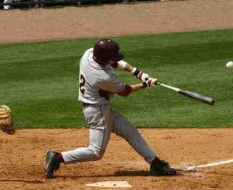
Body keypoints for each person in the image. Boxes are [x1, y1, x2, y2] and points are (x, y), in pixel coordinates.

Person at [45, 38, 177, 178]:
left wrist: (139, 73)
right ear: (103, 59)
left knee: (129, 131)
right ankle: (58, 157)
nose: (114, 59)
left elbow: (115, 62)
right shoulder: (102, 76)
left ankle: (155, 163)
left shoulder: (88, 54)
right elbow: (125, 91)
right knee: (96, 152)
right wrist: (146, 84)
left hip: (99, 108)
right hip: (98, 112)